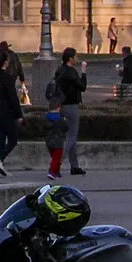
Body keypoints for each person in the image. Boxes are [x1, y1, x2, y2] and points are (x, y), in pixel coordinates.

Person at [0, 47, 23, 177]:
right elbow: (12, 97)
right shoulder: (7, 78)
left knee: (0, 138)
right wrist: (19, 114)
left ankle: (0, 164)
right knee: (13, 139)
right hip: (5, 111)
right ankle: (0, 159)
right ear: (5, 62)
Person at [53, 48, 87, 176]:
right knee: (71, 136)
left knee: (69, 137)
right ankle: (56, 164)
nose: (77, 59)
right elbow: (82, 87)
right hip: (71, 105)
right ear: (70, 59)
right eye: (75, 56)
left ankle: (74, 166)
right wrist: (83, 72)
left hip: (60, 105)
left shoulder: (60, 70)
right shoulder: (71, 72)